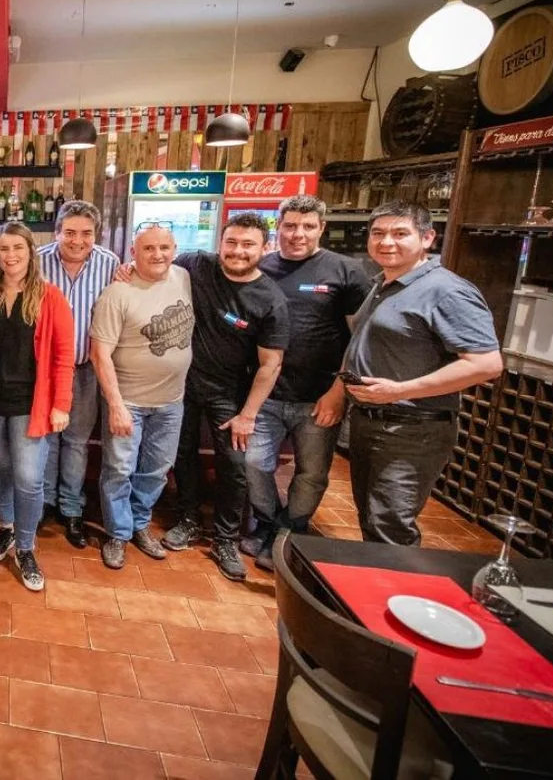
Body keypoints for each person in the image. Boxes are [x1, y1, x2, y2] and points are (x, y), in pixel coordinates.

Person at [343, 201, 501, 546]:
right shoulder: (384, 282)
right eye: (378, 233)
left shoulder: (447, 290)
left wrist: (401, 390)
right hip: (373, 419)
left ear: (428, 237)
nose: (386, 242)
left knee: (390, 527)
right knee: (373, 520)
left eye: (400, 234)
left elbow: (486, 364)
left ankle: (395, 595)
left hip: (412, 427)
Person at [241, 195, 372, 569]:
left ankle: (290, 529)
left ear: (321, 228)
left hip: (319, 395)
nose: (298, 234)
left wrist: (339, 390)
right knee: (253, 463)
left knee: (312, 472)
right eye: (290, 226)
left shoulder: (345, 271)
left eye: (307, 226)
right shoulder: (260, 267)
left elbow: (359, 338)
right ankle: (268, 522)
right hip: (265, 393)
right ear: (278, 228)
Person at [158, 213, 289, 582]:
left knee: (233, 464)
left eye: (248, 244)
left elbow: (270, 365)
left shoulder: (270, 300)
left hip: (231, 393)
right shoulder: (196, 264)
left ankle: (226, 538)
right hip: (181, 382)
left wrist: (248, 414)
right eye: (231, 242)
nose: (238, 251)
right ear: (221, 242)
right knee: (180, 454)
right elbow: (155, 262)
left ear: (266, 248)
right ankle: (188, 519)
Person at [0, 223, 75, 592]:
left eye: (17, 248)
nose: (10, 256)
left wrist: (61, 404)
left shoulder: (50, 297)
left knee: (29, 478)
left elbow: (64, 356)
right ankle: (6, 527)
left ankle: (27, 547)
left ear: (31, 252)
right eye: (3, 249)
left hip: (33, 403)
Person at [89, 224, 193, 570]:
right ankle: (118, 532)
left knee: (157, 470)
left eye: (164, 247)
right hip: (128, 400)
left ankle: (139, 524)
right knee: (119, 469)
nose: (158, 255)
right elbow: (100, 354)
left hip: (172, 400)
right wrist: (116, 406)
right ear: (133, 253)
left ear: (175, 249)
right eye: (148, 249)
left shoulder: (183, 276)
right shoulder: (117, 293)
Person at [37, 200, 120, 550]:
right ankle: (44, 501)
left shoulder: (110, 264)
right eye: (69, 232)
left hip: (86, 370)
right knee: (45, 438)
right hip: (43, 370)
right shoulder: (37, 260)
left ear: (95, 235)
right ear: (57, 232)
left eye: (85, 233)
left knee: (75, 442)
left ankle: (71, 508)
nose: (77, 240)